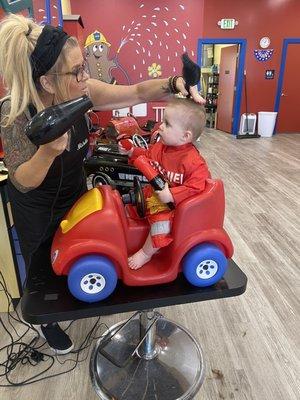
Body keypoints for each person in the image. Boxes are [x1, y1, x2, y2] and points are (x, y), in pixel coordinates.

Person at [0, 14, 205, 354]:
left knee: (84, 261)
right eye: (77, 71)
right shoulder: (16, 112)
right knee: (47, 278)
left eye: (84, 67)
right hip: (38, 210)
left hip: (78, 197)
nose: (86, 77)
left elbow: (136, 91)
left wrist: (174, 83)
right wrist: (47, 154)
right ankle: (48, 325)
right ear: (48, 82)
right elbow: (21, 181)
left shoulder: (84, 92)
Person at [119, 97, 210, 270]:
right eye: (162, 121)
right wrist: (131, 151)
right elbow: (147, 155)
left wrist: (172, 195)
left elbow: (197, 188)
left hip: (177, 208)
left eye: (167, 124)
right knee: (134, 202)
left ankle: (146, 253)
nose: (160, 126)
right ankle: (130, 234)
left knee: (161, 223)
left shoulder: (194, 162)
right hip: (158, 196)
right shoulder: (161, 147)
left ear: (185, 136)